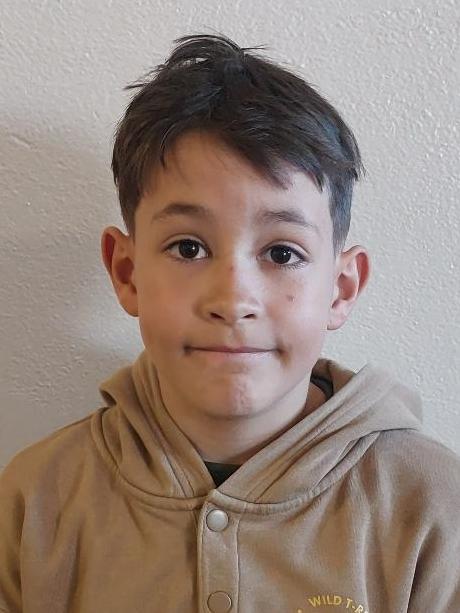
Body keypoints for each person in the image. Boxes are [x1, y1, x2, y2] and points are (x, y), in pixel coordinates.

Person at [1, 32, 459, 613]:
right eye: (188, 248)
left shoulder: (435, 507)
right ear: (127, 272)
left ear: (341, 289)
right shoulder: (35, 498)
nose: (234, 299)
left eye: (282, 253)